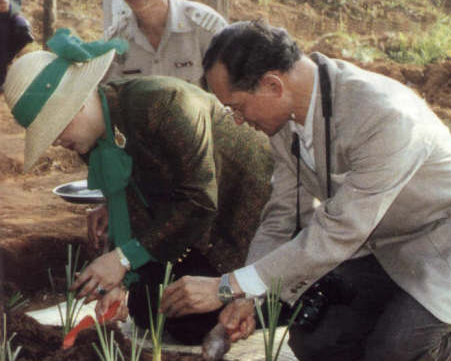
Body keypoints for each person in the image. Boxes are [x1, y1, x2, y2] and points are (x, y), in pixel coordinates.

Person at [160, 20, 451, 361]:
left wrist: (227, 287)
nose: (239, 121)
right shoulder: (286, 120)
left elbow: (339, 231)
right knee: (316, 343)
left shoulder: (382, 114)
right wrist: (251, 296)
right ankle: (417, 313)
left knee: (401, 355)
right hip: (387, 251)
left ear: (273, 85)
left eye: (237, 107)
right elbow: (281, 217)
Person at [4, 28, 273, 344]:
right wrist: (121, 279)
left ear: (75, 105)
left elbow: (199, 201)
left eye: (54, 129)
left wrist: (122, 259)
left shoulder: (166, 104)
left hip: (240, 217)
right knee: (146, 309)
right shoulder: (92, 138)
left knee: (190, 323)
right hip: (187, 221)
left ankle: (277, 300)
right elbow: (128, 203)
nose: (56, 142)